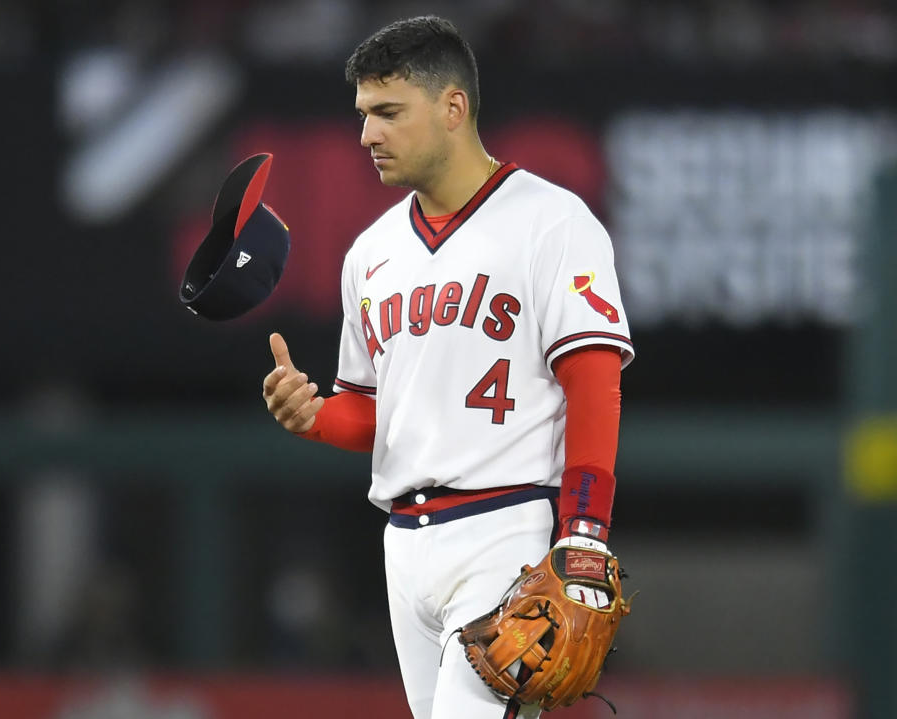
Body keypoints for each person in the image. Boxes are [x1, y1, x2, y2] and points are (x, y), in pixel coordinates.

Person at [262, 15, 633, 719]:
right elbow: (374, 414)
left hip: (505, 528)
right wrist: (313, 418)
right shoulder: (369, 253)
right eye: (365, 114)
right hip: (403, 545)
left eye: (389, 113)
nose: (368, 134)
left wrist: (585, 528)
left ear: (453, 107)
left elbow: (594, 382)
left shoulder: (552, 222)